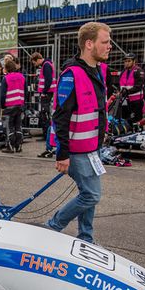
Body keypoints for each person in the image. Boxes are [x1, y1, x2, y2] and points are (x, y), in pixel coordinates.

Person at [44, 22, 112, 245]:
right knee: (91, 195)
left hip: (92, 148)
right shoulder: (72, 75)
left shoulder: (98, 71)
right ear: (89, 44)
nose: (109, 46)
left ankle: (86, 238)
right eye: (105, 42)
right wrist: (62, 154)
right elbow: (60, 118)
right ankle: (52, 227)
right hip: (76, 150)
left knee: (88, 195)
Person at [31, 52, 57, 158]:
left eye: (34, 63)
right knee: (46, 117)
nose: (35, 65)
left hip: (47, 95)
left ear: (37, 59)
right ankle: (49, 146)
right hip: (49, 94)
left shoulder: (46, 65)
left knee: (46, 117)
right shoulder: (48, 64)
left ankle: (49, 146)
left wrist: (44, 92)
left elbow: (48, 80)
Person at [0, 59, 25, 153]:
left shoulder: (5, 78)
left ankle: (10, 147)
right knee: (18, 126)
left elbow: (2, 95)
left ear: (6, 69)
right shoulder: (22, 77)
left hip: (9, 105)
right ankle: (18, 146)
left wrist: (2, 106)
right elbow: (25, 91)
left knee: (9, 126)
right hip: (20, 104)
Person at [117, 54, 145, 131]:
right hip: (125, 101)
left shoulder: (139, 71)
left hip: (136, 101)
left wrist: (126, 92)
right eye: (125, 61)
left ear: (134, 61)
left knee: (137, 122)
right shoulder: (123, 71)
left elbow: (139, 86)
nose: (126, 63)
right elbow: (120, 85)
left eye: (129, 61)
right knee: (126, 120)